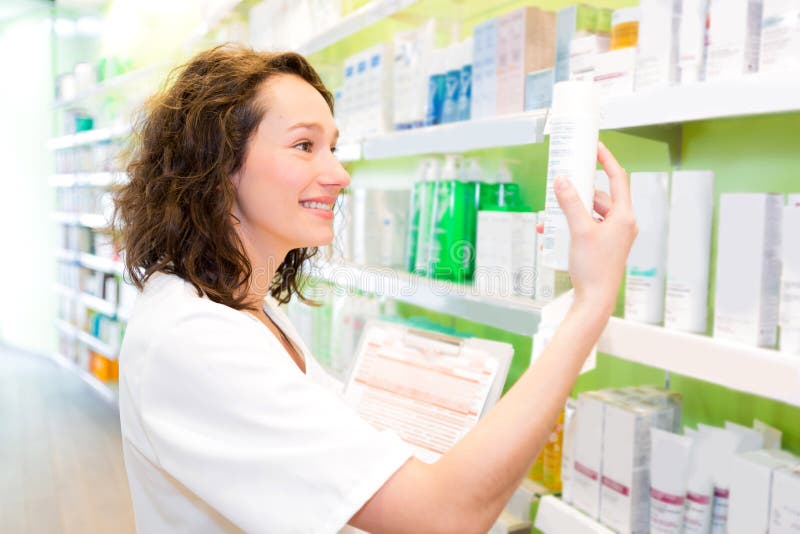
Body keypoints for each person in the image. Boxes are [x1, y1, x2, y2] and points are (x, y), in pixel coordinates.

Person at [113, 45, 637, 533]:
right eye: (304, 145)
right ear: (216, 163)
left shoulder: (244, 304)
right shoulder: (195, 338)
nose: (339, 173)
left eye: (333, 147)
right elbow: (444, 518)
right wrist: (590, 303)